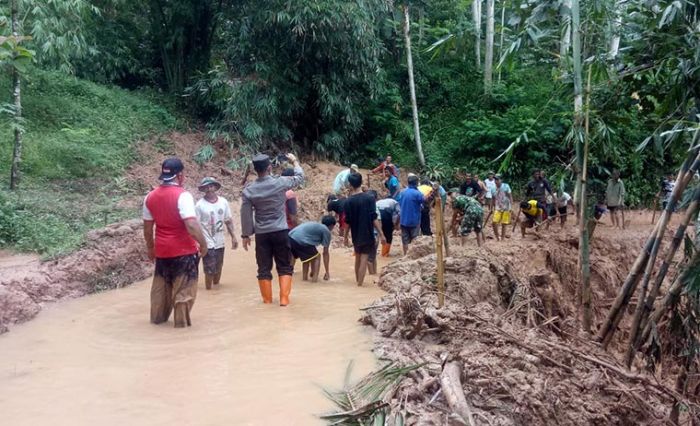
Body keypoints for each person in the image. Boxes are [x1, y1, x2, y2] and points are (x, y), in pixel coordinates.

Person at [143, 157, 208, 328]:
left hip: (162, 252)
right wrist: (203, 244)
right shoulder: (183, 195)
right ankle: (181, 331)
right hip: (183, 252)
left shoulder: (149, 197)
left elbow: (148, 229)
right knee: (184, 293)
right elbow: (191, 224)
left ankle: (157, 322)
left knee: (161, 290)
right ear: (180, 176)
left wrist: (151, 249)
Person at [241, 153, 304, 306]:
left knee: (263, 268)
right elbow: (300, 178)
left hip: (262, 234)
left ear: (256, 170)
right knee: (284, 265)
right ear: (269, 167)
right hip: (281, 231)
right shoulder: (280, 182)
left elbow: (245, 214)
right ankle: (284, 299)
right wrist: (294, 161)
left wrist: (245, 235)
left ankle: (267, 301)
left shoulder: (249, 190)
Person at [195, 177, 238, 290]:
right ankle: (209, 289)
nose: (209, 189)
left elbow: (228, 220)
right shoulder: (199, 205)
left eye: (211, 186)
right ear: (203, 189)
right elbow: (196, 225)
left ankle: (216, 288)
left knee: (219, 267)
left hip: (220, 240)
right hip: (207, 241)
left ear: (215, 187)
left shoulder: (223, 202)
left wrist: (233, 237)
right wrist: (198, 243)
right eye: (206, 187)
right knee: (209, 269)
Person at [344, 173, 386, 286]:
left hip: (355, 234)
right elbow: (374, 218)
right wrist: (381, 234)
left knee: (357, 256)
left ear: (350, 185)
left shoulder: (348, 201)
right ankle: (360, 284)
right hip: (367, 233)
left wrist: (345, 237)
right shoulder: (370, 198)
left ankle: (358, 282)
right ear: (361, 183)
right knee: (364, 258)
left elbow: (347, 222)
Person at [288, 216, 336, 283]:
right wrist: (327, 272)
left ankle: (300, 278)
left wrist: (313, 270)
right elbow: (325, 253)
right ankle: (314, 281)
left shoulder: (316, 226)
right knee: (317, 257)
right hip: (301, 240)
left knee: (306, 258)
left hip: (290, 237)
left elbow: (310, 251)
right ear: (331, 226)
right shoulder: (326, 230)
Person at [399, 175, 424, 254]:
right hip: (414, 220)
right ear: (416, 183)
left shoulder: (403, 192)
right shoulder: (417, 193)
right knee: (414, 239)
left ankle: (405, 255)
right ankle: (412, 256)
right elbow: (424, 201)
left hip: (403, 220)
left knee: (405, 240)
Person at [491, 175, 513, 241]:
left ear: (501, 180)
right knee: (494, 222)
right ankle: (497, 237)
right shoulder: (493, 189)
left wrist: (511, 206)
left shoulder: (506, 186)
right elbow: (493, 199)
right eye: (495, 180)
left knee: (504, 223)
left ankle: (502, 239)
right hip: (498, 207)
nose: (496, 181)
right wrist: (492, 208)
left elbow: (510, 196)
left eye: (498, 179)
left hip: (506, 207)